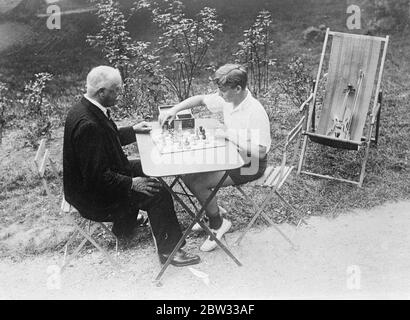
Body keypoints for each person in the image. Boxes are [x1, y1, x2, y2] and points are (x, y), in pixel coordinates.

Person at [63, 65, 200, 267]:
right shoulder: (88, 125)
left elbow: (106, 139)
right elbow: (97, 177)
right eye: (116, 90)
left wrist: (133, 131)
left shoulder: (87, 108)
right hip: (93, 197)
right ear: (101, 92)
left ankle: (125, 226)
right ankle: (171, 251)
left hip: (94, 182)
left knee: (149, 164)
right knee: (158, 193)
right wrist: (131, 183)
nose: (120, 94)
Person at [159, 63, 271, 252]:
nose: (219, 95)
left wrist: (229, 135)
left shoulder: (255, 111)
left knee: (198, 182)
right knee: (188, 172)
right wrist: (173, 110)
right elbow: (201, 99)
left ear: (238, 88)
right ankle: (212, 212)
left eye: (223, 91)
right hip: (230, 153)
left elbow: (261, 151)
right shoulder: (229, 99)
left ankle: (218, 223)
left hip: (251, 163)